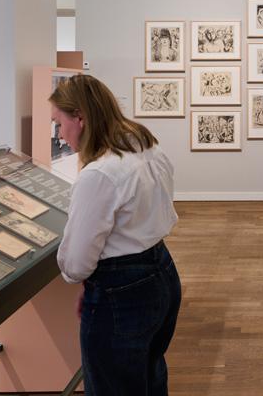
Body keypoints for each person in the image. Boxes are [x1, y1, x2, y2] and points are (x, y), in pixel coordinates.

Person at [52, 74, 181, 395]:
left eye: (59, 122)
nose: (59, 133)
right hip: (162, 272)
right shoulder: (147, 147)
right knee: (150, 377)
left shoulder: (99, 174)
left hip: (121, 291)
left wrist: (95, 283)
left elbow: (76, 265)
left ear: (80, 118)